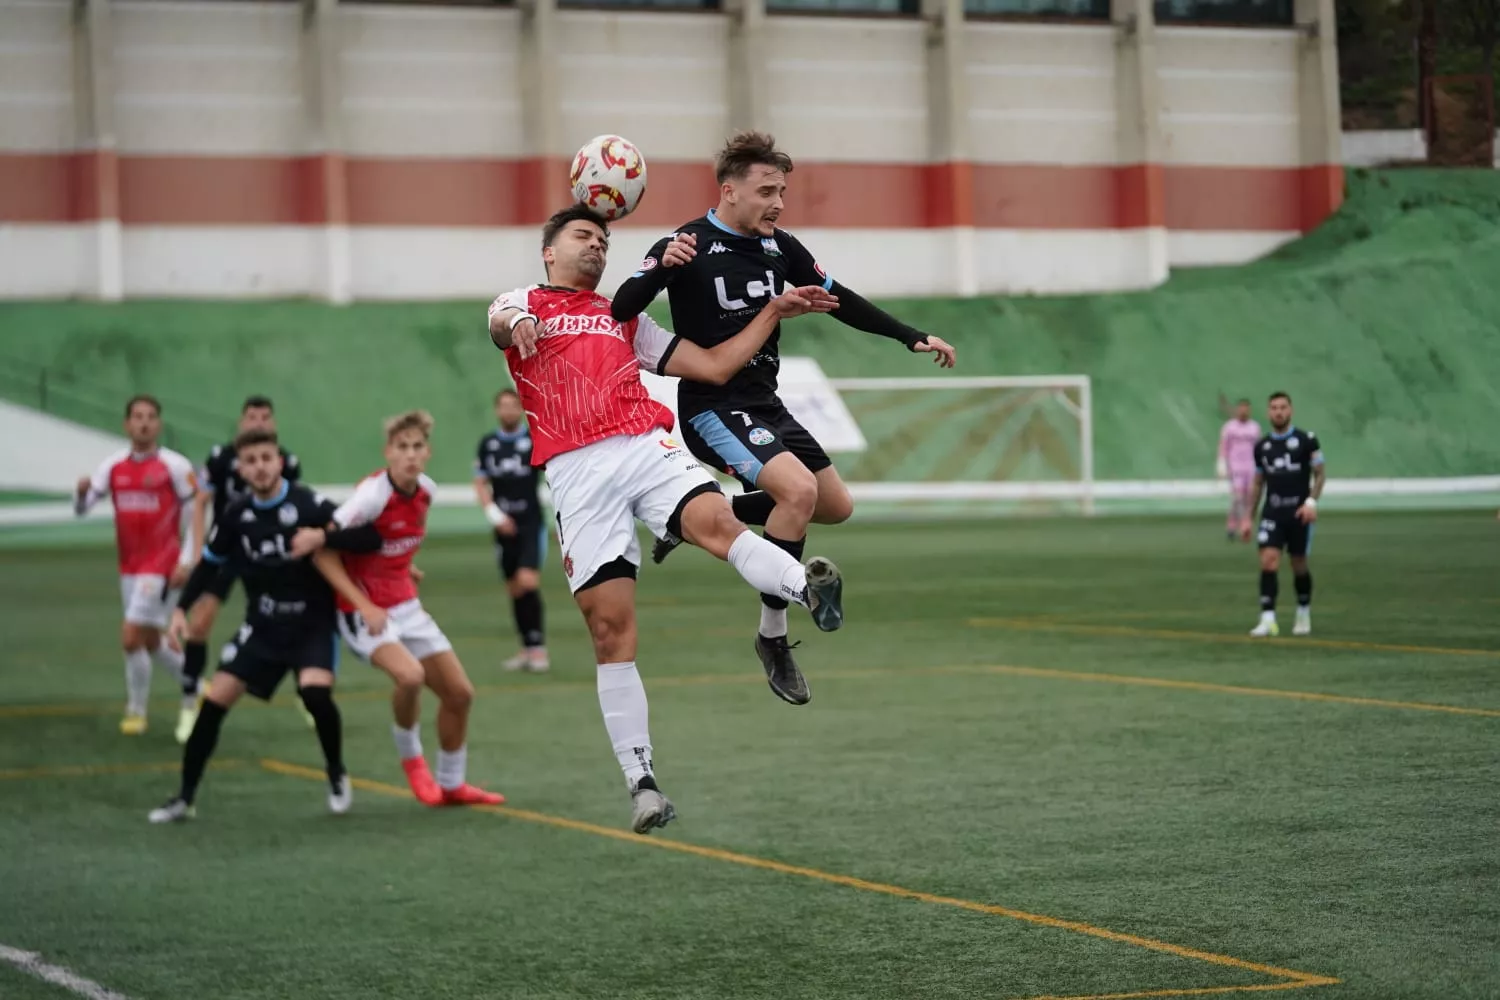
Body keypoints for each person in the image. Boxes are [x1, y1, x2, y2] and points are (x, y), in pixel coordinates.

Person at [488, 204, 843, 833]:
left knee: (720, 526)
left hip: (642, 445)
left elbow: (712, 367)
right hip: (576, 472)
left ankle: (806, 587)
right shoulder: (527, 301)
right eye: (582, 236)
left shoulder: (624, 318)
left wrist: (771, 311)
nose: (596, 246)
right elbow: (500, 318)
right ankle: (642, 783)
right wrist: (516, 321)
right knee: (610, 631)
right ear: (549, 251)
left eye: (603, 240)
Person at [609, 130, 956, 707]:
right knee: (795, 493)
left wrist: (911, 336)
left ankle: (684, 522)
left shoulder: (779, 246)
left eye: (782, 191)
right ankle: (773, 639)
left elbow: (837, 294)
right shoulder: (687, 242)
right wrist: (656, 272)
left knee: (834, 506)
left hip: (766, 405)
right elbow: (622, 309)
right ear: (729, 191)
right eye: (767, 190)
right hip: (713, 407)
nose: (778, 202)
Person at [149, 428, 370, 823]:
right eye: (251, 461)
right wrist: (182, 608)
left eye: (267, 458)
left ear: (280, 462)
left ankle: (336, 770)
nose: (260, 467)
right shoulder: (236, 514)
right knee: (213, 705)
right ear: (241, 469)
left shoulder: (308, 503)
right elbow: (211, 564)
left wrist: (320, 535)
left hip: (311, 623)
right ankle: (184, 797)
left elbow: (369, 535)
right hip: (263, 626)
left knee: (315, 695)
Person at [293, 410, 505, 807]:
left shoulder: (426, 491)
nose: (410, 454)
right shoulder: (372, 495)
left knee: (459, 694)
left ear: (428, 453)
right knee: (409, 677)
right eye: (401, 447)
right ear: (388, 453)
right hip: (363, 611)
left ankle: (452, 785)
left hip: (405, 604)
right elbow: (323, 553)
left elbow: (395, 542)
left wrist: (407, 569)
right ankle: (413, 762)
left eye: (417, 446)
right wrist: (365, 605)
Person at [74, 395, 199, 738]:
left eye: (151, 417)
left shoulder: (176, 466)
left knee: (131, 638)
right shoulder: (113, 466)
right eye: (138, 417)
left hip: (162, 566)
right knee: (151, 641)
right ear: (126, 424)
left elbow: (197, 516)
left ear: (159, 424)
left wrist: (188, 560)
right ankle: (197, 687)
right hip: (129, 566)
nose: (144, 423)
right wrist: (80, 493)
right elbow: (83, 508)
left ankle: (136, 710)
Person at [183, 395, 306, 739]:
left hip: (267, 553)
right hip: (228, 550)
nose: (259, 423)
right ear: (241, 423)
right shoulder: (222, 458)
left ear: (274, 424)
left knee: (293, 617)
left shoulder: (287, 462)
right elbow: (201, 501)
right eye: (252, 417)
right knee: (199, 623)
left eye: (265, 417)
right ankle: (190, 701)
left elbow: (295, 508)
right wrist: (197, 550)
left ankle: (307, 693)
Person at [474, 389, 548, 672]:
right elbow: (480, 484)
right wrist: (494, 515)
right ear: (497, 410)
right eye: (503, 406)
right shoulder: (488, 444)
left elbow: (551, 476)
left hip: (530, 523)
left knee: (528, 581)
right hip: (503, 527)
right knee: (515, 589)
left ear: (520, 409)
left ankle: (539, 650)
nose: (508, 411)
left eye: (512, 406)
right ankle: (527, 648)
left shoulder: (533, 440)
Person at [1247, 392, 1325, 638]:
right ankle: (1268, 618)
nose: (1278, 412)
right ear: (1268, 412)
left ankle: (1303, 610)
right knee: (1268, 560)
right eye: (1273, 408)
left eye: (1282, 407)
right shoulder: (1262, 447)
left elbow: (1320, 473)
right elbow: (1258, 483)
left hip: (1299, 513)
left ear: (1290, 411)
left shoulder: (1307, 441)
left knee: (1298, 564)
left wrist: (1311, 502)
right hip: (1273, 512)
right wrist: (1248, 516)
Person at [1217, 398, 1261, 542]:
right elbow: (1224, 446)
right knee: (1237, 497)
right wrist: (1222, 462)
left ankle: (1244, 523)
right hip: (1235, 466)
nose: (1243, 411)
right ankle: (1234, 525)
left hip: (1251, 466)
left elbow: (1258, 448)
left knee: (1249, 497)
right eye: (1241, 408)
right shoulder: (1229, 427)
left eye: (1246, 408)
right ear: (1237, 409)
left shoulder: (1254, 427)